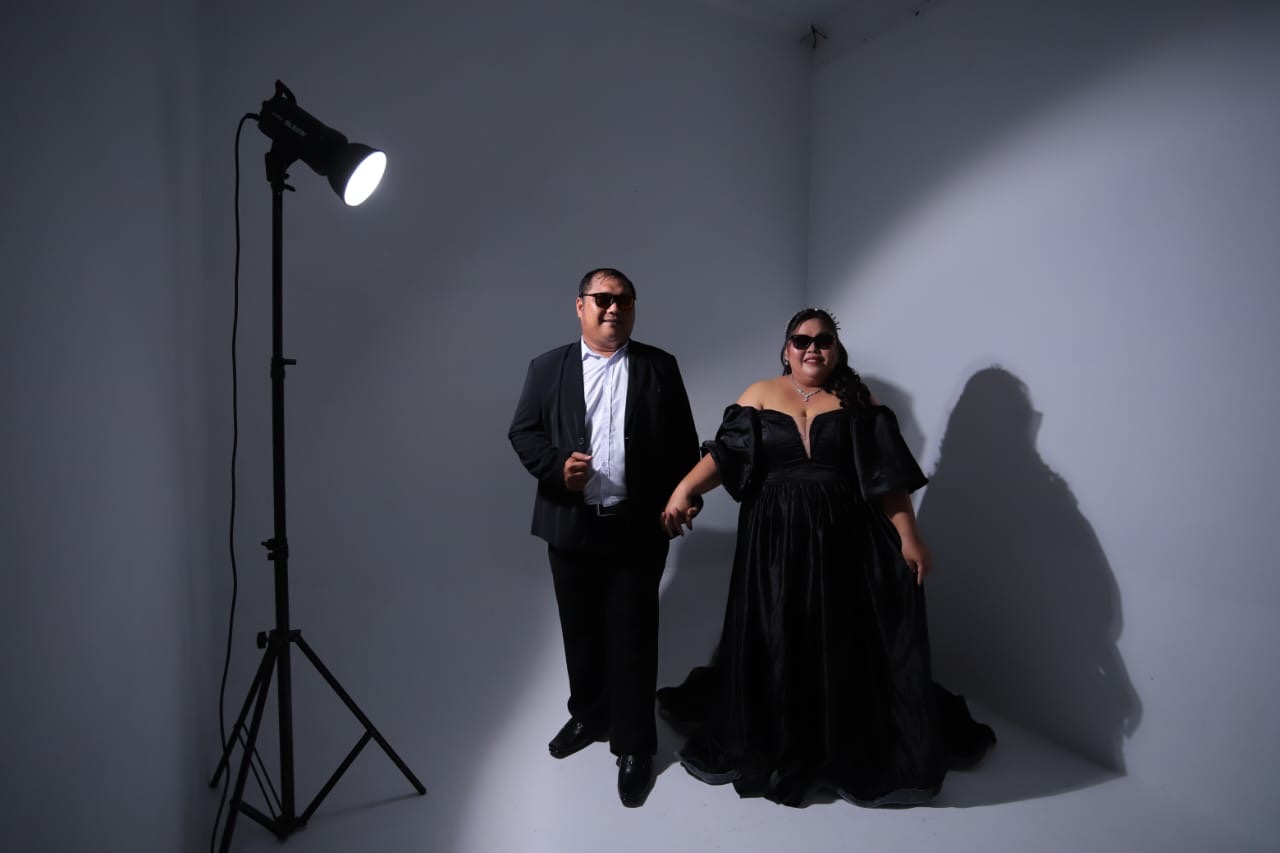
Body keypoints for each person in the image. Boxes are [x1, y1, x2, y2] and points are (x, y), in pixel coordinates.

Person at [658, 308, 995, 807]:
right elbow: (723, 458)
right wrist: (684, 488)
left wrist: (910, 537)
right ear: (786, 348)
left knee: (837, 631)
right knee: (780, 627)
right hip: (773, 540)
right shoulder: (759, 393)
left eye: (823, 340)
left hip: (844, 538)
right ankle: (780, 732)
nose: (812, 348)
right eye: (802, 340)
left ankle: (837, 737)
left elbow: (887, 479)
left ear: (836, 350)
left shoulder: (858, 400)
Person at [508, 267, 701, 807]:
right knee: (581, 631)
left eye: (624, 300)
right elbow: (522, 430)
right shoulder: (547, 368)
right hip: (570, 524)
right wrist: (556, 468)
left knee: (633, 635)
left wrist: (685, 497)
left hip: (637, 526)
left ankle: (635, 745)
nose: (614, 308)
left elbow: (684, 445)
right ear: (580, 306)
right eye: (603, 299)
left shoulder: (660, 366)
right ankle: (589, 715)